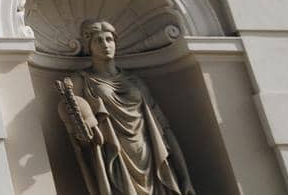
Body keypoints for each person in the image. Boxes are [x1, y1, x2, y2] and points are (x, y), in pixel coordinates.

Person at [56, 19, 195, 195]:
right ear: (88, 45)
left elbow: (165, 130)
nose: (105, 45)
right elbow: (73, 120)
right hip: (113, 154)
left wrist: (185, 178)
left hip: (149, 154)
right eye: (98, 40)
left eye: (109, 39)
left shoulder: (136, 82)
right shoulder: (81, 80)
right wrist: (85, 125)